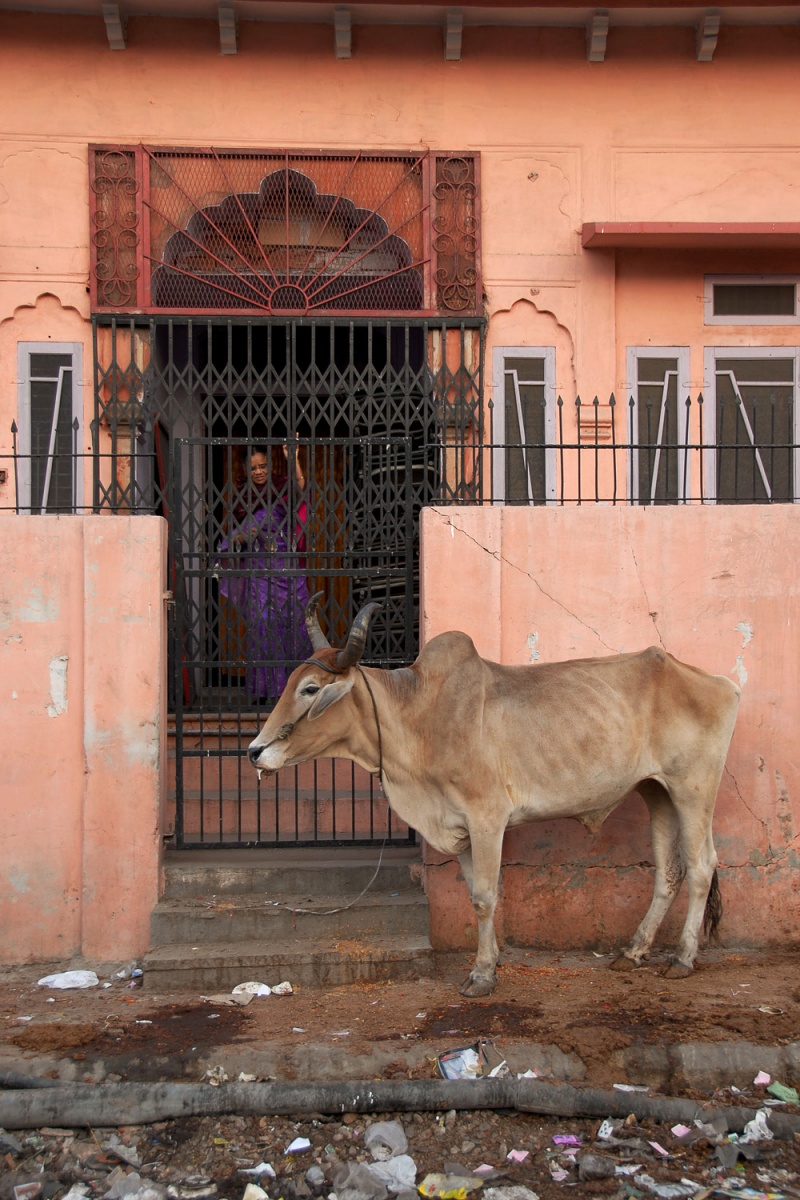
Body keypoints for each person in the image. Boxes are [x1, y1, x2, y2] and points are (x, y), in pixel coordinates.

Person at [217, 441, 312, 704]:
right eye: (253, 468)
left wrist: (292, 458)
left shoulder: (282, 487)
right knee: (263, 627)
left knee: (293, 624)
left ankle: (297, 689)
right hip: (259, 570)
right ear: (246, 470)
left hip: (287, 567)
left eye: (263, 466)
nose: (259, 472)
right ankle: (265, 691)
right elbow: (236, 535)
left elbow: (301, 488)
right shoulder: (242, 496)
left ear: (270, 467)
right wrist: (241, 537)